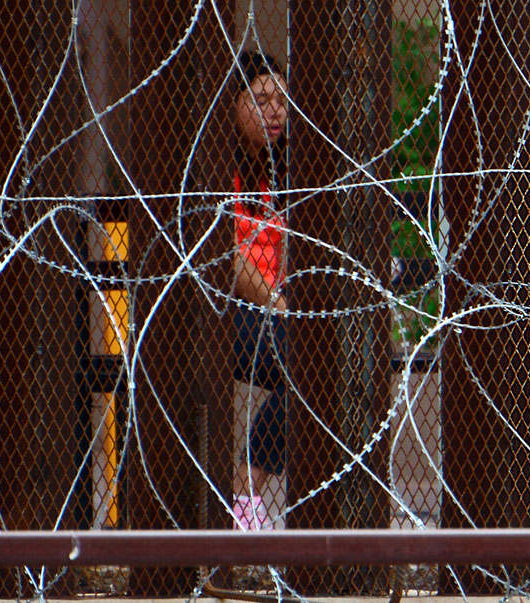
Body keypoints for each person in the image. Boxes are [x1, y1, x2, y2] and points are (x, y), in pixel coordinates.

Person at [228, 49, 289, 531]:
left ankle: (245, 493)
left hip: (278, 310)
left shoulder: (285, 171)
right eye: (261, 98)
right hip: (233, 309)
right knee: (309, 363)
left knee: (313, 368)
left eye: (283, 101)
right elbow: (225, 258)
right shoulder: (220, 171)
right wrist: (274, 300)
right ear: (234, 104)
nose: (275, 111)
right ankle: (245, 491)